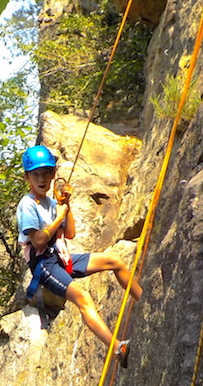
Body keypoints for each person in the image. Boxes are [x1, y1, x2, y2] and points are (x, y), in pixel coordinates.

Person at [16, 145, 143, 366]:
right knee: (83, 297)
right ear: (27, 177)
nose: (41, 179)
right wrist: (59, 216)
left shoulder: (50, 203)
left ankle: (145, 300)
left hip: (60, 256)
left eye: (46, 173)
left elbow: (70, 233)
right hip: (43, 264)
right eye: (36, 174)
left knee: (114, 261)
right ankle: (117, 349)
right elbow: (38, 241)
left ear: (53, 174)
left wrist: (66, 206)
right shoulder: (27, 205)